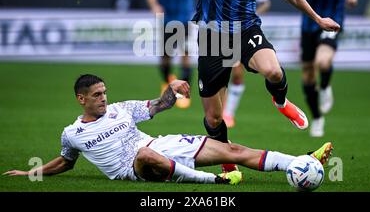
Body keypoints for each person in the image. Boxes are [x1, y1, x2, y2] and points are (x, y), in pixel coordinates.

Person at [170, 0, 340, 172]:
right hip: (213, 36)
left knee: (273, 71)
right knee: (213, 119)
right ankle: (228, 164)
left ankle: (281, 101)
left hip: (246, 28)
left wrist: (318, 18)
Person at [3, 74, 333, 185]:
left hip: (161, 145)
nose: (105, 98)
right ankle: (214, 181)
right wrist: (31, 174)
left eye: (105, 92)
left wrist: (173, 89)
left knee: (231, 148)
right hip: (133, 167)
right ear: (81, 99)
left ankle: (299, 163)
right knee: (146, 153)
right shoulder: (71, 133)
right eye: (97, 95)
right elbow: (66, 161)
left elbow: (158, 105)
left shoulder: (121, 109)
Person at [289, 0, 361, 137]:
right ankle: (317, 118)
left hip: (334, 20)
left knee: (323, 61)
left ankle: (327, 86)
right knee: (308, 75)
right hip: (309, 23)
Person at [146, 0, 201, 109]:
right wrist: (154, 4)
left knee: (185, 55)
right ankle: (167, 81)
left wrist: (203, 8)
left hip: (186, 18)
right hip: (167, 19)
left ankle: (184, 92)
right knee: (165, 57)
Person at [223, 0, 271, 128]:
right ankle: (220, 113)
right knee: (221, 73)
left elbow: (265, 2)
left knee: (237, 73)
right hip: (221, 27)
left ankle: (228, 113)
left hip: (243, 29)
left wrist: (252, 15)